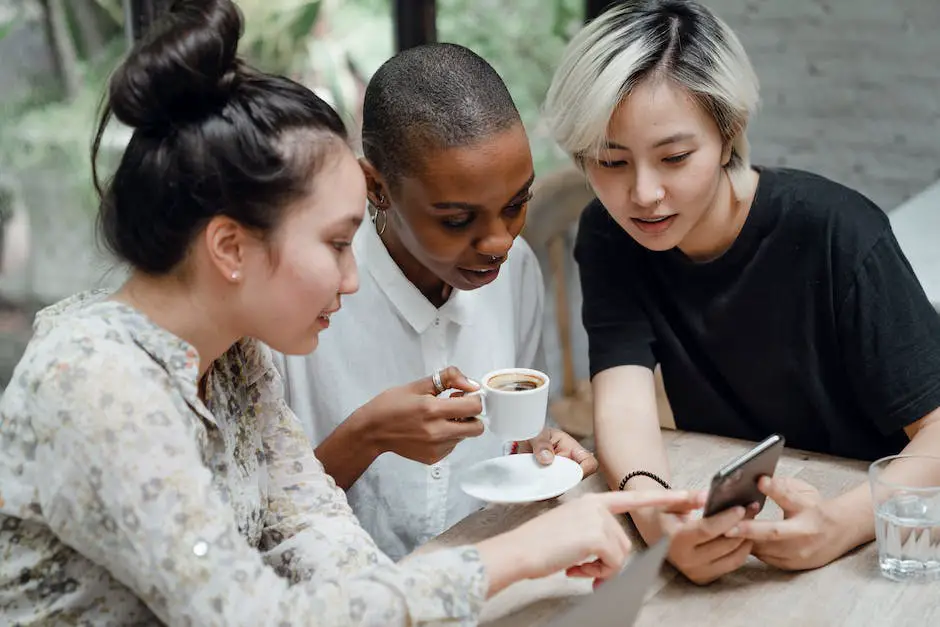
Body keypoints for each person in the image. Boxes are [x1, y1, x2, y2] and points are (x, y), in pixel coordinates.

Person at [0, 1, 705, 624]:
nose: (352, 275)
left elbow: (320, 543)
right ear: (229, 246)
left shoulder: (237, 361)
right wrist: (517, 555)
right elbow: (253, 614)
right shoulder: (95, 380)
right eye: (339, 243)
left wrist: (522, 558)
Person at [542, 0, 940, 584]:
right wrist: (659, 525)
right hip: (737, 512)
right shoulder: (610, 233)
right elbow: (623, 401)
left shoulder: (838, 231)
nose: (644, 193)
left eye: (675, 157)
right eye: (611, 161)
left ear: (730, 135)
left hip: (885, 533)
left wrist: (841, 523)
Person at [275, 43, 596, 560]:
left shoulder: (516, 274)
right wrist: (365, 437)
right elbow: (258, 527)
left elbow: (517, 441)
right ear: (375, 187)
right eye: (456, 220)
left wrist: (537, 446)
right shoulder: (303, 304)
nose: (499, 242)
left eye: (516, 205)